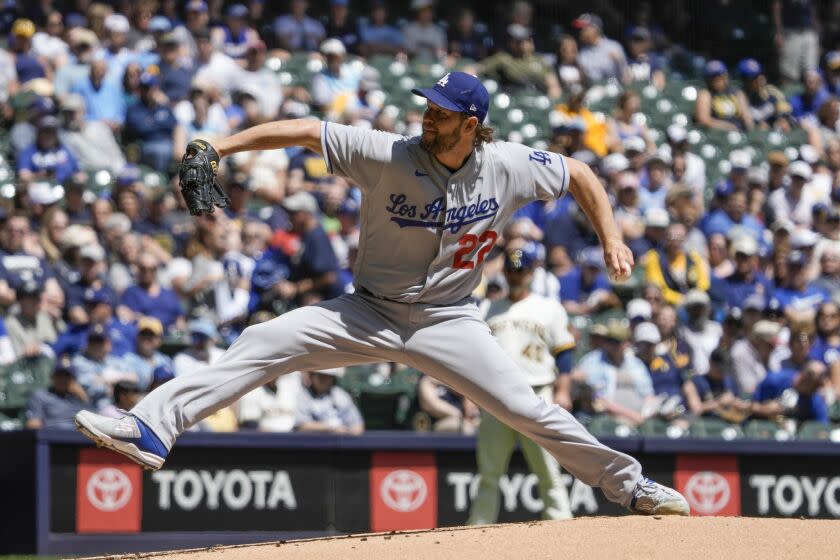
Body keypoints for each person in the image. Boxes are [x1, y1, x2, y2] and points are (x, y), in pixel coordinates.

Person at [74, 71, 689, 515]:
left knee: (529, 410)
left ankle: (631, 486)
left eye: (442, 113)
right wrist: (221, 147)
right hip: (367, 310)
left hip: (450, 319)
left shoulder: (506, 164)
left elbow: (579, 171)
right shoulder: (389, 153)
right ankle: (151, 428)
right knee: (265, 339)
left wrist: (611, 237)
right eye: (428, 107)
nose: (427, 118)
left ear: (471, 126)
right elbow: (305, 132)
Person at [467, 246, 574, 525]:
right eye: (512, 271)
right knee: (489, 472)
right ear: (505, 273)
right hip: (495, 398)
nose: (517, 276)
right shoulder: (488, 308)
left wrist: (563, 390)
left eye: (522, 271)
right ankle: (478, 531)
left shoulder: (548, 308)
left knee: (549, 470)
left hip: (536, 393)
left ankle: (561, 528)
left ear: (531, 272)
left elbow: (564, 353)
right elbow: (475, 357)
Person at [25, 358, 90, 429]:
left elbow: (93, 425)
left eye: (67, 377)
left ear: (73, 380)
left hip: (78, 437)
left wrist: (84, 399)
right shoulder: (41, 396)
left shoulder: (79, 397)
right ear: (52, 377)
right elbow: (33, 423)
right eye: (59, 376)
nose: (62, 380)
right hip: (51, 436)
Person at [695, 60, 753, 132]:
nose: (717, 79)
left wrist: (751, 133)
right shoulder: (705, 94)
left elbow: (747, 118)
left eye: (720, 75)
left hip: (739, 132)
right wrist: (726, 127)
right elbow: (703, 119)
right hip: (718, 134)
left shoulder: (737, 93)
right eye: (713, 77)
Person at [572, 13, 628, 84]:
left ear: (595, 29)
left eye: (584, 29)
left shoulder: (614, 47)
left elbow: (625, 76)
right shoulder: (582, 52)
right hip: (593, 88)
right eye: (580, 29)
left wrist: (619, 62)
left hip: (614, 86)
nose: (581, 32)